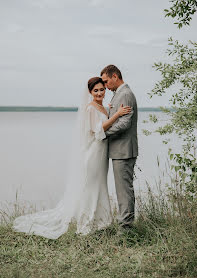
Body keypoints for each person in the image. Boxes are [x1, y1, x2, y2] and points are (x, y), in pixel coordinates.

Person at [13, 77, 131, 239]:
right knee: (91, 187)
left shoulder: (102, 107)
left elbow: (104, 120)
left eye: (101, 89)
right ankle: (85, 224)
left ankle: (101, 222)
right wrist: (117, 114)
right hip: (94, 153)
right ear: (90, 92)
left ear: (105, 89)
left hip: (102, 153)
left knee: (99, 185)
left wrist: (111, 111)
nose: (99, 93)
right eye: (95, 90)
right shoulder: (90, 108)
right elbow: (98, 129)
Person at [101, 65, 138, 230]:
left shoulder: (126, 94)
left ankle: (126, 229)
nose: (105, 86)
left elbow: (124, 123)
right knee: (122, 190)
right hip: (119, 150)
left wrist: (103, 133)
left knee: (124, 191)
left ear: (115, 76)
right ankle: (124, 224)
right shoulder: (118, 94)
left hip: (124, 150)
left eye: (106, 81)